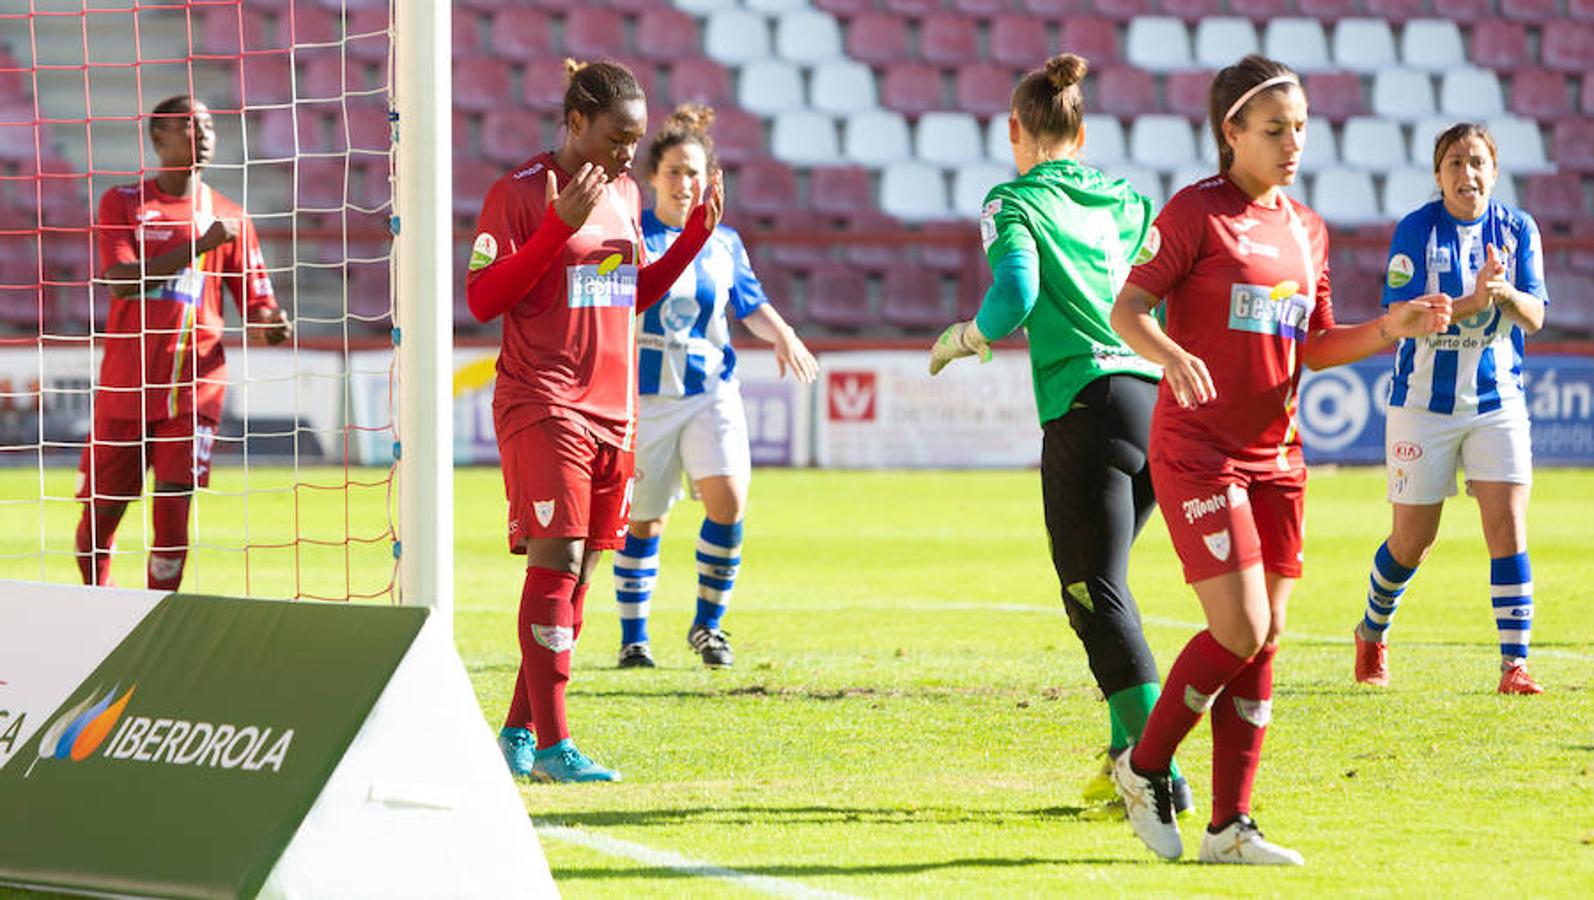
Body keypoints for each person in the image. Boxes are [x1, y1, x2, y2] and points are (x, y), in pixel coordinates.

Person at [1106, 55, 1451, 865]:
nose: (1293, 142)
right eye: (1274, 129)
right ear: (1231, 134)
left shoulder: (1308, 228)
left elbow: (1315, 346)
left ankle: (1231, 825)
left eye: (1299, 127)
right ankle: (1143, 765)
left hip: (1278, 457)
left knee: (1268, 638)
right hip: (1199, 451)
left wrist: (1390, 328)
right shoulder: (1194, 214)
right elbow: (1130, 309)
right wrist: (1170, 355)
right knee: (1241, 626)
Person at [926, 53, 1195, 818]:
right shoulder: (1126, 198)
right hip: (1153, 399)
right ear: (1084, 130)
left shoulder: (1011, 200)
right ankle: (1122, 757)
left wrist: (965, 336)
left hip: (1088, 407)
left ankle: (1158, 775)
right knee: (1107, 581)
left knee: (1093, 591)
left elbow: (1014, 293)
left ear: (1016, 129)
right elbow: (1164, 297)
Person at [465, 60, 722, 783]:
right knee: (558, 563)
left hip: (615, 407)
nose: (627, 154)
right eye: (616, 138)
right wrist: (553, 231)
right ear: (576, 122)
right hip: (543, 401)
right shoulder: (519, 193)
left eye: (635, 141)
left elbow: (625, 294)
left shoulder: (626, 191)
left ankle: (518, 732)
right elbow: (484, 299)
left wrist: (695, 239)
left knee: (578, 583)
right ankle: (554, 747)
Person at [610, 104, 817, 671]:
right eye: (674, 171)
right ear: (652, 177)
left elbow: (749, 302)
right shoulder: (630, 235)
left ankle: (708, 627)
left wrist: (784, 336)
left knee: (728, 500)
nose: (684, 183)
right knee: (644, 521)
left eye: (694, 173)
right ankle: (634, 638)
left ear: (709, 180)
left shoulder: (723, 242)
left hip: (710, 391)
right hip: (646, 399)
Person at [1352, 123, 1549, 695]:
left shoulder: (1517, 229)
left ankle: (1515, 665)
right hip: (1422, 406)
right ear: (1438, 176)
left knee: (1508, 527)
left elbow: (1534, 317)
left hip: (1498, 401)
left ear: (1494, 169)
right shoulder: (1416, 230)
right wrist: (1472, 301)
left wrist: (1505, 293)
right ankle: (1372, 630)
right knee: (1412, 541)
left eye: (1478, 162)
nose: (1468, 173)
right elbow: (1401, 316)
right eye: (1455, 163)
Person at [78, 96, 289, 591]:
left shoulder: (230, 218)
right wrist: (198, 245)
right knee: (99, 520)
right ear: (159, 139)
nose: (205, 135)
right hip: (127, 385)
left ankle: (157, 624)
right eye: (192, 127)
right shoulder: (124, 202)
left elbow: (258, 303)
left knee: (174, 513)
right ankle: (95, 603)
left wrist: (272, 324)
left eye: (210, 126)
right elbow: (120, 281)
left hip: (196, 388)